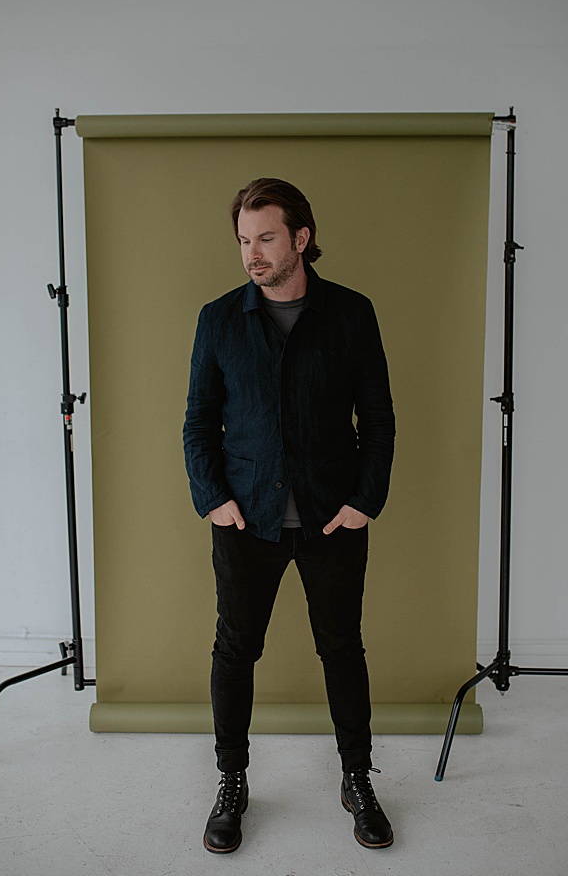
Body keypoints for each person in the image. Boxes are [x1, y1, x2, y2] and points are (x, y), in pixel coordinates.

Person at [183, 177, 397, 853]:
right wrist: (213, 498)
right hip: (246, 518)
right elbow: (198, 423)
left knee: (341, 647)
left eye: (266, 237)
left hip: (334, 517)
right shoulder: (219, 319)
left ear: (301, 238)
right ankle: (232, 780)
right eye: (244, 240)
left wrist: (365, 501)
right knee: (235, 649)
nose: (253, 253)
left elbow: (380, 420)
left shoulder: (352, 313)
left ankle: (357, 778)